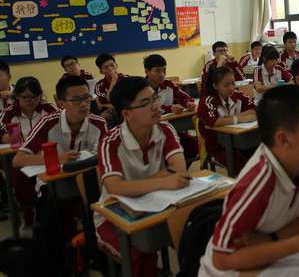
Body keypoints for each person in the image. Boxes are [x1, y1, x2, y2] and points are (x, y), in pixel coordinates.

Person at [198, 85, 299, 276]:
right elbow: (221, 259)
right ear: (284, 139)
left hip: (279, 258)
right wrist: (296, 243)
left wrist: (274, 238)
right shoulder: (257, 183)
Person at [95, 76, 192, 277]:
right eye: (145, 103)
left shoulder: (165, 129)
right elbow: (115, 188)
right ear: (126, 114)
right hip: (114, 216)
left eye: (155, 98)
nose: (156, 106)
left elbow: (178, 167)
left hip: (158, 205)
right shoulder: (110, 142)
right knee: (139, 255)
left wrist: (131, 186)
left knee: (194, 233)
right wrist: (163, 181)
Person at [13, 76, 108, 239]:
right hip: (54, 182)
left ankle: (93, 239)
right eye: (76, 100)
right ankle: (67, 244)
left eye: (86, 97)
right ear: (61, 103)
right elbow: (18, 160)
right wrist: (56, 157)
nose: (84, 104)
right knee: (58, 210)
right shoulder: (48, 122)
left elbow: (106, 155)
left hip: (86, 178)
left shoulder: (98, 123)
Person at [0, 76, 58, 235]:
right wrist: (26, 138)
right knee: (22, 190)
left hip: (44, 156)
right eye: (27, 97)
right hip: (16, 160)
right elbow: (1, 135)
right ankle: (28, 220)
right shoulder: (8, 112)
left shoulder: (47, 107)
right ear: (17, 96)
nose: (32, 101)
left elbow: (59, 126)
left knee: (53, 187)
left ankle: (50, 221)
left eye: (36, 96)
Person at [197, 67, 257, 173]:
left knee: (261, 157)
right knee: (245, 169)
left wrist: (237, 116)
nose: (231, 88)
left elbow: (254, 109)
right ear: (215, 86)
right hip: (217, 147)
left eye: (233, 83)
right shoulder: (208, 101)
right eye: (226, 85)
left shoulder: (237, 95)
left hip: (238, 141)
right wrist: (238, 120)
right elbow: (212, 121)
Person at [143, 54, 199, 159]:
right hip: (150, 132)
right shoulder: (141, 88)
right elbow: (147, 109)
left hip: (171, 128)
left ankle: (178, 167)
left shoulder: (168, 84)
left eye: (164, 70)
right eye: (157, 71)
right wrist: (170, 108)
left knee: (193, 144)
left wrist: (189, 103)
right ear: (147, 71)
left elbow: (186, 98)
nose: (162, 74)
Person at [94, 53, 129, 123]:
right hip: (110, 109)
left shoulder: (127, 79)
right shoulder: (99, 85)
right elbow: (109, 99)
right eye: (106, 67)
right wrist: (114, 78)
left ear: (116, 65)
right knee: (104, 117)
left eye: (112, 65)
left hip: (127, 107)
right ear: (101, 72)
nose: (110, 69)